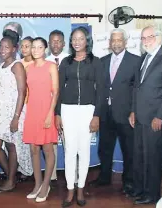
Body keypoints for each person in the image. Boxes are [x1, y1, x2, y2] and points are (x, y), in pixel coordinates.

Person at [55, 26, 104, 207]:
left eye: (81, 38)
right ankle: (69, 190)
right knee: (69, 152)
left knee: (84, 152)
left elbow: (101, 91)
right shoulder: (66, 62)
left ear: (87, 41)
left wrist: (96, 115)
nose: (77, 41)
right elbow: (59, 90)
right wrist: (58, 113)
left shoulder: (96, 62)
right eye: (74, 38)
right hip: (67, 110)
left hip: (87, 111)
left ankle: (81, 189)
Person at [88, 29, 139, 196]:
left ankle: (129, 182)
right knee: (105, 149)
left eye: (119, 40)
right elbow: (101, 88)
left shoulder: (135, 61)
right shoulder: (103, 61)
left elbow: (137, 90)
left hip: (125, 115)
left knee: (128, 150)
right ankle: (104, 178)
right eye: (113, 40)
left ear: (125, 41)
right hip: (106, 114)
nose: (116, 43)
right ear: (109, 42)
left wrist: (134, 111)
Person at [0, 29, 32, 193]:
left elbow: (22, 92)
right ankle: (11, 176)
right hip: (0, 113)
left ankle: (11, 180)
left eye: (6, 47)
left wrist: (16, 117)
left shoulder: (17, 65)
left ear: (14, 49)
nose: (2, 50)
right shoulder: (1, 65)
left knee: (11, 147)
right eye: (1, 47)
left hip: (12, 113)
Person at [129, 26, 162, 205]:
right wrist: (133, 111)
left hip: (155, 120)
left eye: (150, 37)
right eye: (143, 38)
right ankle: (140, 190)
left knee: (154, 158)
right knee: (140, 157)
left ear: (158, 37)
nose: (146, 41)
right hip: (140, 118)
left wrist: (160, 116)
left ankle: (152, 194)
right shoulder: (144, 58)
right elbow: (137, 88)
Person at [23, 37, 59, 203]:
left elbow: (56, 92)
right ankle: (37, 185)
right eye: (33, 47)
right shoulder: (28, 68)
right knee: (33, 150)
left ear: (45, 49)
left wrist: (49, 114)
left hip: (46, 112)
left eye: (39, 47)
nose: (36, 50)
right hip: (32, 112)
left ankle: (46, 185)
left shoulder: (51, 66)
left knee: (47, 150)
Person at [46, 30, 71, 184]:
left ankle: (72, 178)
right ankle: (52, 177)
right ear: (48, 44)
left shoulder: (70, 61)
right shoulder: (44, 61)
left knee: (69, 143)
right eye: (52, 41)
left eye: (58, 41)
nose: (55, 44)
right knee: (51, 144)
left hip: (67, 108)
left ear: (64, 43)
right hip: (48, 108)